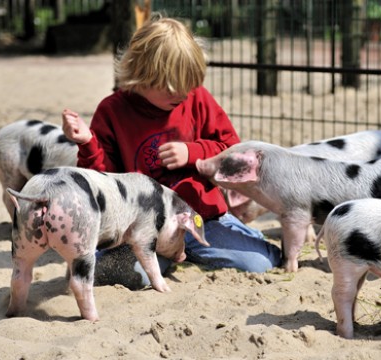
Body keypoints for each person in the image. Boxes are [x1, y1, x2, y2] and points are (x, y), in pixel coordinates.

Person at [61, 14, 282, 289]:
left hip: (202, 220)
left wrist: (193, 152)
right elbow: (101, 182)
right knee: (125, 276)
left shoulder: (196, 98)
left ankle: (225, 241)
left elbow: (231, 150)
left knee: (261, 263)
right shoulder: (112, 111)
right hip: (145, 229)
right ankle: (164, 259)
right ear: (142, 74)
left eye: (188, 84)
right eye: (171, 86)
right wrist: (87, 143)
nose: (181, 94)